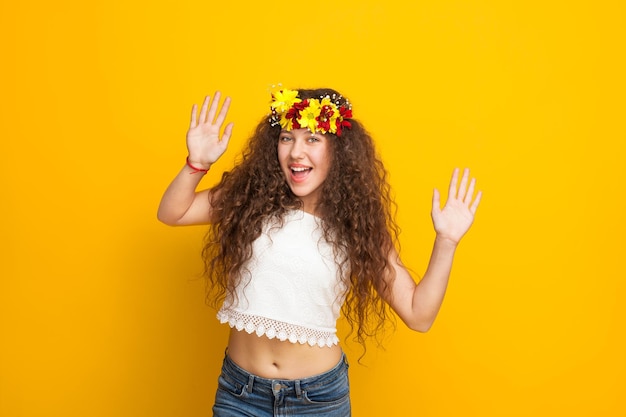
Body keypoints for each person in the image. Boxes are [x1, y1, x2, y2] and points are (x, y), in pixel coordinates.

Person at [157, 87, 482, 417]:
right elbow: (173, 213)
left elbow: (418, 314)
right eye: (287, 138)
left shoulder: (356, 226)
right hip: (241, 394)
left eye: (312, 139)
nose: (296, 152)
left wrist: (447, 242)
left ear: (337, 151)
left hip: (317, 401)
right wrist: (196, 164)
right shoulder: (250, 199)